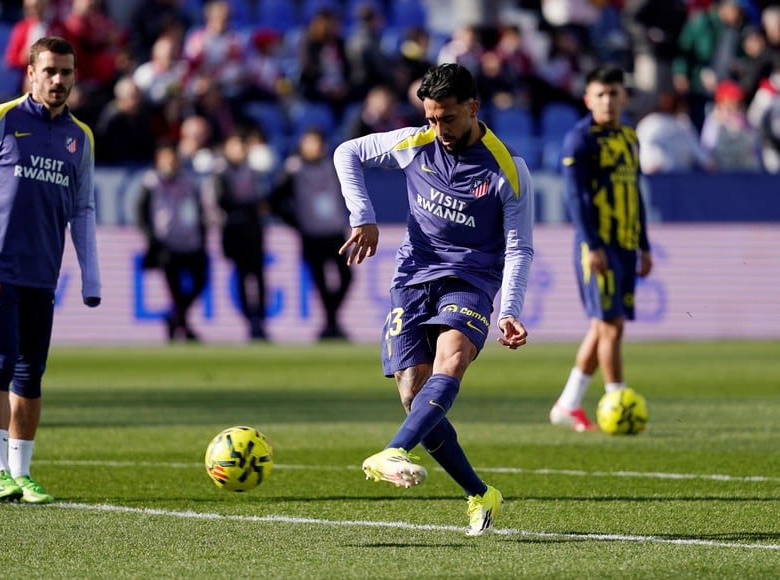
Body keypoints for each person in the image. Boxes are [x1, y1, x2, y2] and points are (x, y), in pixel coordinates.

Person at [333, 63, 535, 536]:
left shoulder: (507, 168)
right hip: (413, 276)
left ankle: (393, 451)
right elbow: (347, 153)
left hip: (471, 279)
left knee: (452, 363)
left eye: (447, 119)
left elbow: (519, 246)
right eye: (430, 118)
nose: (438, 130)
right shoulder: (416, 142)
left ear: (473, 108)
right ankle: (480, 494)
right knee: (412, 395)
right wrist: (361, 215)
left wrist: (509, 310)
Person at [0, 36, 101, 504]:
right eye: (49, 71)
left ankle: (21, 472)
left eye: (66, 72)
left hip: (42, 273)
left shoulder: (81, 137)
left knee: (31, 374)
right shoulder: (1, 118)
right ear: (30, 73)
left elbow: (84, 208)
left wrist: (90, 277)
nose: (58, 80)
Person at [549, 64, 652, 433]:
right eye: (601, 94)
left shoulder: (629, 137)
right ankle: (619, 400)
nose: (608, 100)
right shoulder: (581, 139)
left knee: (604, 325)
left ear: (624, 96)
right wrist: (592, 245)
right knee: (610, 327)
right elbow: (574, 197)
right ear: (588, 99)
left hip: (625, 243)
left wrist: (644, 245)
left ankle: (567, 404)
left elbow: (635, 192)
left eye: (614, 93)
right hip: (599, 245)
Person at [271, 127, 353, 341]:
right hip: (311, 234)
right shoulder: (294, 170)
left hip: (334, 231)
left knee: (346, 276)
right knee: (320, 280)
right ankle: (331, 323)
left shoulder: (333, 166)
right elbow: (276, 200)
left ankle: (331, 320)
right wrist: (295, 221)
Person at [137, 142, 209, 342]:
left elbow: (199, 210)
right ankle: (184, 327)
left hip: (191, 241)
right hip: (166, 243)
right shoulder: (152, 182)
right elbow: (141, 212)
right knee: (175, 289)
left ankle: (176, 319)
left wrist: (203, 236)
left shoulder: (188, 181)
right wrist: (151, 237)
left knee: (200, 281)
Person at [212, 129, 271, 341]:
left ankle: (261, 319)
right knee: (242, 276)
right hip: (235, 232)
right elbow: (222, 202)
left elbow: (262, 200)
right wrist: (249, 207)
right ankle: (250, 320)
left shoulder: (253, 171)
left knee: (260, 278)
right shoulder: (221, 172)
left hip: (253, 232)